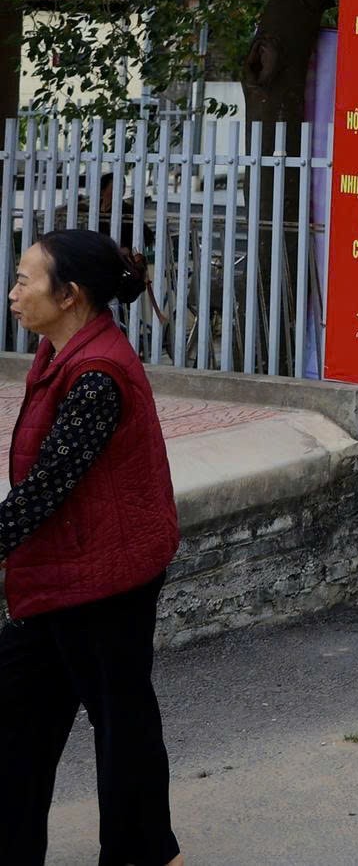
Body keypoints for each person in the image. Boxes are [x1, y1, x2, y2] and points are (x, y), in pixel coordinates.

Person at [1, 229, 183, 866]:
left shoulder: (98, 373)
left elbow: (48, 483)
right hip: (62, 571)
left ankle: (147, 853)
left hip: (106, 577)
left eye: (26, 280)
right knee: (17, 719)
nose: (14, 292)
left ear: (70, 295)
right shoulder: (63, 352)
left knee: (119, 719)